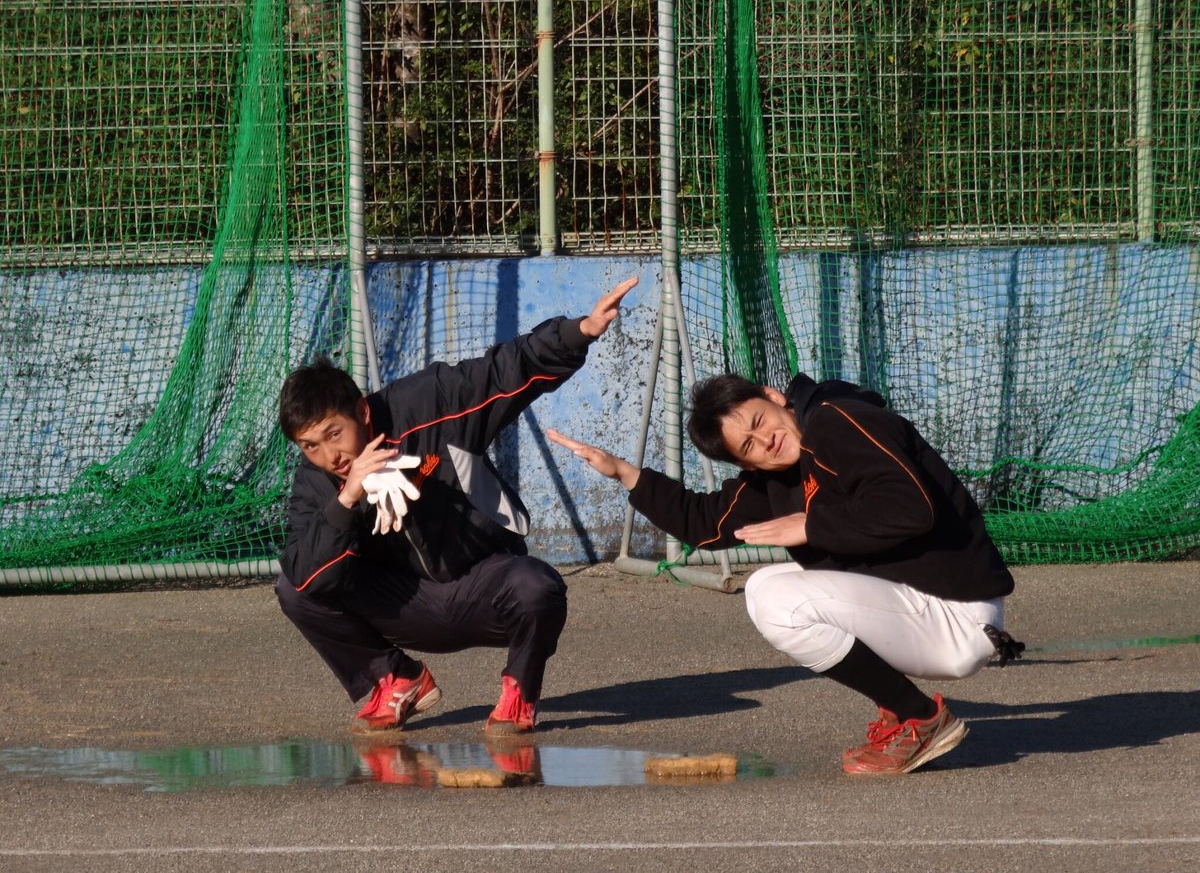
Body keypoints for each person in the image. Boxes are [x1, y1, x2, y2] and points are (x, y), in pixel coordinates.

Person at [547, 371, 1023, 775]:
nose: (765, 440)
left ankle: (920, 718)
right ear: (742, 462)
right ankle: (905, 711)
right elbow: (705, 522)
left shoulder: (838, 421)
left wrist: (810, 525)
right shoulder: (777, 474)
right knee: (771, 586)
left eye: (759, 421)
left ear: (775, 397)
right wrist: (624, 473)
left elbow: (910, 509)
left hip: (956, 613)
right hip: (920, 611)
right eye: (748, 446)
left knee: (776, 596)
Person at [277, 276, 638, 736]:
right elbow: (306, 576)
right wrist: (348, 499)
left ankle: (519, 694)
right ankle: (396, 679)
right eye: (310, 446)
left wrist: (578, 332)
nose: (330, 455)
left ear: (362, 413)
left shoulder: (426, 403)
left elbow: (505, 369)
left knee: (537, 587)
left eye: (334, 434)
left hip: (479, 585)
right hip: (405, 604)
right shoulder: (318, 480)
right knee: (293, 585)